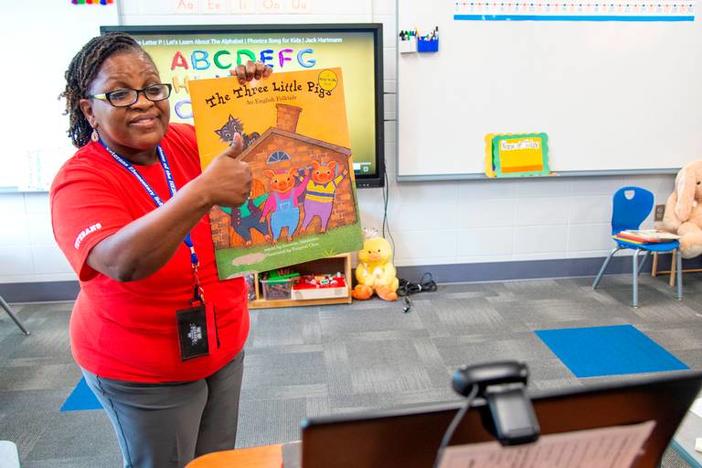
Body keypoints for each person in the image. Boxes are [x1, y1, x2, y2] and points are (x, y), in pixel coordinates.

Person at [51, 32, 272, 467]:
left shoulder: (189, 142)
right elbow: (123, 262)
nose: (144, 103)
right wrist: (200, 194)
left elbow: (259, 151)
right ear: (88, 110)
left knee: (216, 461)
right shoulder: (79, 181)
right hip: (141, 369)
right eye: (119, 93)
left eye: (153, 88)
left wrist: (252, 96)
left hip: (223, 345)